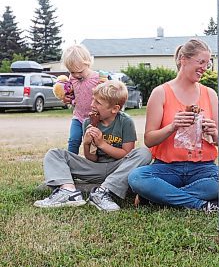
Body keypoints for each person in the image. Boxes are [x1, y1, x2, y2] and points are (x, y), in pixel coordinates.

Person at [128, 39, 219, 213]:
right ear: (183, 59)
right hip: (167, 168)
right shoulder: (160, 92)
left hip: (203, 168)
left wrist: (214, 133)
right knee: (137, 178)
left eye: (207, 64)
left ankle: (157, 198)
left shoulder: (210, 94)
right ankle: (198, 204)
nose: (204, 68)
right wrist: (172, 126)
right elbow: (149, 140)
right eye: (201, 62)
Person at [34, 80, 152, 212]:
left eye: (98, 102)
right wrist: (86, 143)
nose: (92, 105)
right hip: (94, 168)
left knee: (144, 153)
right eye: (93, 100)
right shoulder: (88, 123)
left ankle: (103, 192)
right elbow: (91, 158)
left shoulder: (125, 122)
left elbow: (126, 154)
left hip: (118, 168)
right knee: (54, 154)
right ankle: (68, 191)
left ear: (115, 109)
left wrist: (102, 144)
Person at [61, 45, 104, 154]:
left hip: (95, 118)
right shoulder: (72, 79)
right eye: (72, 72)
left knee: (93, 144)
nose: (76, 75)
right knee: (73, 140)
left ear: (88, 63)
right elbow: (71, 94)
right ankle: (71, 162)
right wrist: (67, 98)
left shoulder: (99, 78)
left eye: (79, 71)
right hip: (78, 117)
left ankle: (92, 164)